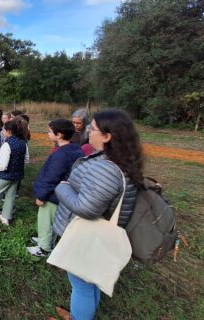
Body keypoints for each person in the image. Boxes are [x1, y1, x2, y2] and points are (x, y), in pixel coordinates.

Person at [52, 109, 142, 320]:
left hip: (86, 234)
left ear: (107, 136)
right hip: (98, 235)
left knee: (81, 284)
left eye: (92, 129)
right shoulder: (118, 161)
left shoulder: (105, 168)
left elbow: (87, 208)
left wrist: (62, 187)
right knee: (88, 279)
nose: (87, 132)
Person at [26, 119, 83, 258]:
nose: (48, 134)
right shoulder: (74, 149)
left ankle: (44, 248)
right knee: (51, 220)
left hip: (52, 195)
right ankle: (45, 240)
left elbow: (52, 177)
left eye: (50, 132)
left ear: (59, 135)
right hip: (61, 193)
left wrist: (41, 195)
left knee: (46, 220)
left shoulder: (62, 154)